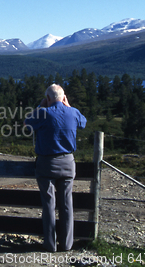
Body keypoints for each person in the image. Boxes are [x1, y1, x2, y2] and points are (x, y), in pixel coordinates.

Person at [24, 84, 87, 252]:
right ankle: (67, 244)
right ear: (63, 97)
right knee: (67, 205)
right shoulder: (73, 113)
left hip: (46, 164)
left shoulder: (43, 113)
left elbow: (27, 123)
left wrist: (40, 106)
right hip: (68, 163)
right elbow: (83, 123)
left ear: (48, 98)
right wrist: (69, 106)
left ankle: (50, 244)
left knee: (49, 205)